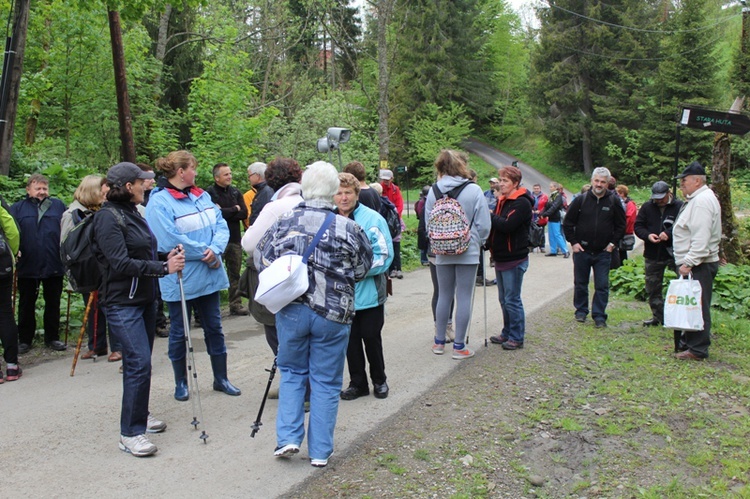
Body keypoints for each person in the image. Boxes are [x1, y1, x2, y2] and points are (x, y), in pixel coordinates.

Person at [255, 161, 372, 468]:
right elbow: (362, 269)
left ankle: (288, 438)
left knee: (292, 372)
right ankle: (320, 451)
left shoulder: (283, 221)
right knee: (326, 380)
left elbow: (263, 258)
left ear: (304, 188)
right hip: (333, 313)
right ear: (334, 191)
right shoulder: (348, 227)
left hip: (291, 310)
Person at [92, 162, 185, 457]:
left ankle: (140, 414)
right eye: (140, 182)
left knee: (140, 363)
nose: (146, 186)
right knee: (139, 362)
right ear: (127, 186)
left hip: (144, 299)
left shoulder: (131, 212)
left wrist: (163, 255)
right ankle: (130, 433)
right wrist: (163, 267)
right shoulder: (107, 218)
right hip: (121, 302)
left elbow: (140, 251)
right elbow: (119, 262)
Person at [145, 150, 241, 401]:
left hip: (209, 273)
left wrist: (216, 249)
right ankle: (181, 383)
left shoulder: (202, 195)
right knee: (179, 331)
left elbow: (221, 224)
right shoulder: (160, 201)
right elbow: (168, 239)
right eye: (193, 168)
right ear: (181, 172)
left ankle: (221, 378)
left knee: (215, 328)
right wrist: (204, 252)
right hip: (182, 275)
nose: (196, 172)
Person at [424, 150, 491, 359]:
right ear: (462, 166)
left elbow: (428, 224)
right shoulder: (474, 189)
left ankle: (438, 342)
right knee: (463, 296)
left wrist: (440, 240)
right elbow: (484, 224)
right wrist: (478, 241)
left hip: (441, 250)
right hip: (468, 249)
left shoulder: (434, 191)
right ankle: (459, 346)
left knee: (444, 294)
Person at [335, 173, 393, 401]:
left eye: (348, 192)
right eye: (338, 193)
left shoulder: (373, 219)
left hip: (369, 294)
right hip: (341, 297)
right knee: (349, 342)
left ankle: (380, 380)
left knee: (371, 337)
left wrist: (356, 271)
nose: (343, 197)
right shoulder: (328, 220)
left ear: (357, 193)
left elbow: (384, 255)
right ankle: (357, 383)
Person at [241, 157, 304, 357]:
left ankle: (292, 381)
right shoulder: (306, 200)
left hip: (280, 278)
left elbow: (248, 244)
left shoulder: (275, 206)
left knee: (278, 335)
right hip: (306, 277)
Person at [60, 175, 122, 362]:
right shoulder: (72, 214)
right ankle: (97, 345)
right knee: (93, 305)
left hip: (106, 264)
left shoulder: (106, 210)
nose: (106, 192)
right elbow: (65, 244)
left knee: (110, 304)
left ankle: (118, 347)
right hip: (86, 266)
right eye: (102, 188)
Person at [562, 167, 625, 328]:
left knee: (602, 285)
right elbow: (568, 223)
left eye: (603, 182)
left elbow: (620, 225)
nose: (599, 184)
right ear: (591, 181)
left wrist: (612, 244)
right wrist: (573, 242)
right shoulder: (580, 200)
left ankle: (599, 315)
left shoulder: (613, 201)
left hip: (603, 252)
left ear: (608, 183)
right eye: (596, 181)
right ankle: (581, 311)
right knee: (581, 283)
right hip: (582, 250)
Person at [10, 174, 67, 353]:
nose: (42, 192)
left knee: (53, 302)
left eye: (44, 188)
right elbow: (10, 232)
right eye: (38, 188)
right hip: (28, 263)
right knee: (26, 303)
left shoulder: (58, 206)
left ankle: (53, 338)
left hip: (53, 262)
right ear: (28, 190)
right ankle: (25, 339)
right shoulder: (18, 208)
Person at [672, 161, 721, 361]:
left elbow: (701, 237)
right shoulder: (698, 198)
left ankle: (698, 348)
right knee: (690, 303)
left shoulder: (702, 201)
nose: (682, 185)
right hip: (696, 262)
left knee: (698, 305)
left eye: (684, 181)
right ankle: (689, 342)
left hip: (698, 264)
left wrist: (689, 262)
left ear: (697, 181)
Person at [487, 166, 533, 350]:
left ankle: (516, 336)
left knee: (512, 299)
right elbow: (498, 227)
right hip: (501, 257)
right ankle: (507, 332)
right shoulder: (503, 200)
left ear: (515, 183)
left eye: (505, 180)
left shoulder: (521, 202)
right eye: (500, 179)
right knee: (504, 299)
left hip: (514, 257)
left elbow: (507, 225)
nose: (501, 183)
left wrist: (490, 216)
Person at [633, 181, 683, 327]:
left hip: (674, 252)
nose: (659, 200)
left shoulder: (679, 206)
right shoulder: (647, 207)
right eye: (656, 197)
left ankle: (680, 315)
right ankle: (659, 316)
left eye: (661, 197)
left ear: (669, 193)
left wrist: (668, 234)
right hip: (653, 252)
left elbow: (683, 226)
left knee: (682, 283)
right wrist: (648, 236)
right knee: (653, 287)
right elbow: (638, 226)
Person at [206, 163, 249, 316]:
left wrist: (224, 211)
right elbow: (212, 215)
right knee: (214, 273)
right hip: (216, 241)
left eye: (230, 173)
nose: (229, 176)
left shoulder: (235, 192)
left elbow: (244, 213)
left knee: (234, 272)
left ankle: (235, 304)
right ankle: (212, 307)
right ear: (217, 177)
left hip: (234, 238)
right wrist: (233, 209)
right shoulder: (209, 194)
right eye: (226, 174)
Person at [136, 162, 169, 337]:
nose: (152, 181)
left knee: (158, 288)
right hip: (142, 251)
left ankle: (159, 322)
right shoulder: (138, 201)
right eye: (148, 178)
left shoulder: (158, 197)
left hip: (157, 248)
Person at [0, 198, 22, 382]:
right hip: (2, 266)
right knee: (5, 313)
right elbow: (11, 230)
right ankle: (12, 367)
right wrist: (13, 253)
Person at [380, 169, 404, 279]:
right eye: (383, 179)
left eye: (387, 179)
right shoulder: (379, 188)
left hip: (394, 220)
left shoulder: (395, 189)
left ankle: (398, 268)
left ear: (392, 179)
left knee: (396, 245)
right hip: (384, 219)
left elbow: (400, 204)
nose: (385, 181)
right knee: (387, 245)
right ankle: (389, 269)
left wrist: (395, 217)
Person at [540, 182, 569, 258]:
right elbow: (546, 206)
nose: (550, 188)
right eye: (550, 187)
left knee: (557, 234)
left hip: (556, 217)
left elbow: (554, 207)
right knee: (551, 235)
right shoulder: (551, 196)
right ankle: (553, 250)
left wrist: (545, 214)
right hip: (551, 217)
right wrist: (541, 213)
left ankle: (565, 251)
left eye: (551, 187)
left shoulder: (558, 196)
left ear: (556, 187)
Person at [615, 184, 638, 265]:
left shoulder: (630, 204)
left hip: (625, 231)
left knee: (622, 252)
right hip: (623, 230)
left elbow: (629, 219)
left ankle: (622, 266)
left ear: (622, 193)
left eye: (617, 193)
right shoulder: (624, 203)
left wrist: (621, 228)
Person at [243, 161, 265, 229]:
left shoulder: (265, 192)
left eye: (250, 175)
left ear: (257, 176)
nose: (249, 178)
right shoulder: (247, 195)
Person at [530, 184, 548, 253]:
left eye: (537, 188)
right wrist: (530, 210)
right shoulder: (530, 196)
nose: (536, 190)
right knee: (532, 232)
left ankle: (542, 246)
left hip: (541, 217)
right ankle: (532, 246)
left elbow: (546, 206)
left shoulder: (544, 196)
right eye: (535, 188)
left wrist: (540, 211)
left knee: (541, 232)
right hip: (532, 216)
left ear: (540, 189)